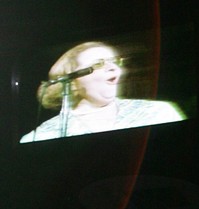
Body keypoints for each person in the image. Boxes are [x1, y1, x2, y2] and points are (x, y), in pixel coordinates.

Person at [20, 41, 186, 143]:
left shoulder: (159, 113)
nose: (114, 67)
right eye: (99, 64)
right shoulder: (41, 136)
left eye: (115, 62)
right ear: (72, 83)